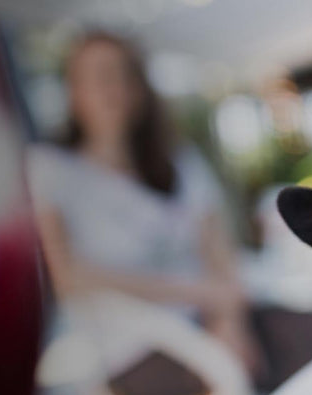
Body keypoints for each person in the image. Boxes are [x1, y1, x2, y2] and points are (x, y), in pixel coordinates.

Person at [28, 32, 259, 375]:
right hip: (127, 352)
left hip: (210, 326)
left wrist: (229, 322)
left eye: (122, 74)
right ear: (73, 92)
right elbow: (67, 278)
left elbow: (218, 252)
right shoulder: (50, 168)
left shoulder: (180, 162)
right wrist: (199, 293)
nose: (112, 88)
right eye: (97, 76)